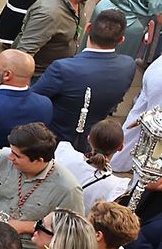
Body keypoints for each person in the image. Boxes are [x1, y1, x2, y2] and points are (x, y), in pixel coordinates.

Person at [0, 121, 83, 249]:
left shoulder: (68, 188)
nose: (10, 157)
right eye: (11, 150)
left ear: (39, 160)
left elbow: (70, 231)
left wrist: (27, 226)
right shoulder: (2, 157)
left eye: (17, 155)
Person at [32, 9, 139, 147]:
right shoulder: (128, 65)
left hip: (54, 137)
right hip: (92, 139)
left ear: (88, 28)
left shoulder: (63, 68)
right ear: (121, 40)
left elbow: (33, 98)